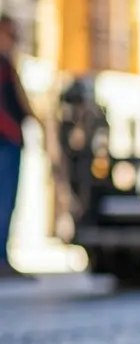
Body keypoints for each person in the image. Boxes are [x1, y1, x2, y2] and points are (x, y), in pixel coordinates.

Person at [0, 13, 36, 280]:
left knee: (7, 202)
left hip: (11, 140)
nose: (12, 40)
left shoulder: (8, 63)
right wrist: (12, 131)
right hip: (6, 141)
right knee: (3, 201)